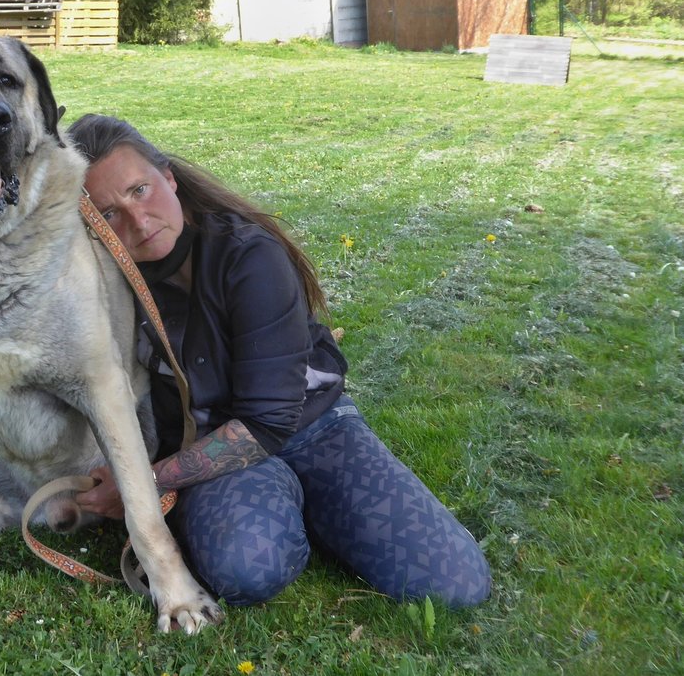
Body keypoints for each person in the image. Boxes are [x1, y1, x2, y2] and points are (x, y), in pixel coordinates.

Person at [67, 114, 491, 608]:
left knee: (455, 586)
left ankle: (317, 502)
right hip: (209, 451)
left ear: (170, 178)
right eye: (109, 213)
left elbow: (268, 424)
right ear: (90, 228)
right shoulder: (102, 285)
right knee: (247, 570)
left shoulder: (247, 254)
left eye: (140, 190)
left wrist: (142, 484)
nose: (138, 221)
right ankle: (283, 508)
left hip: (314, 429)